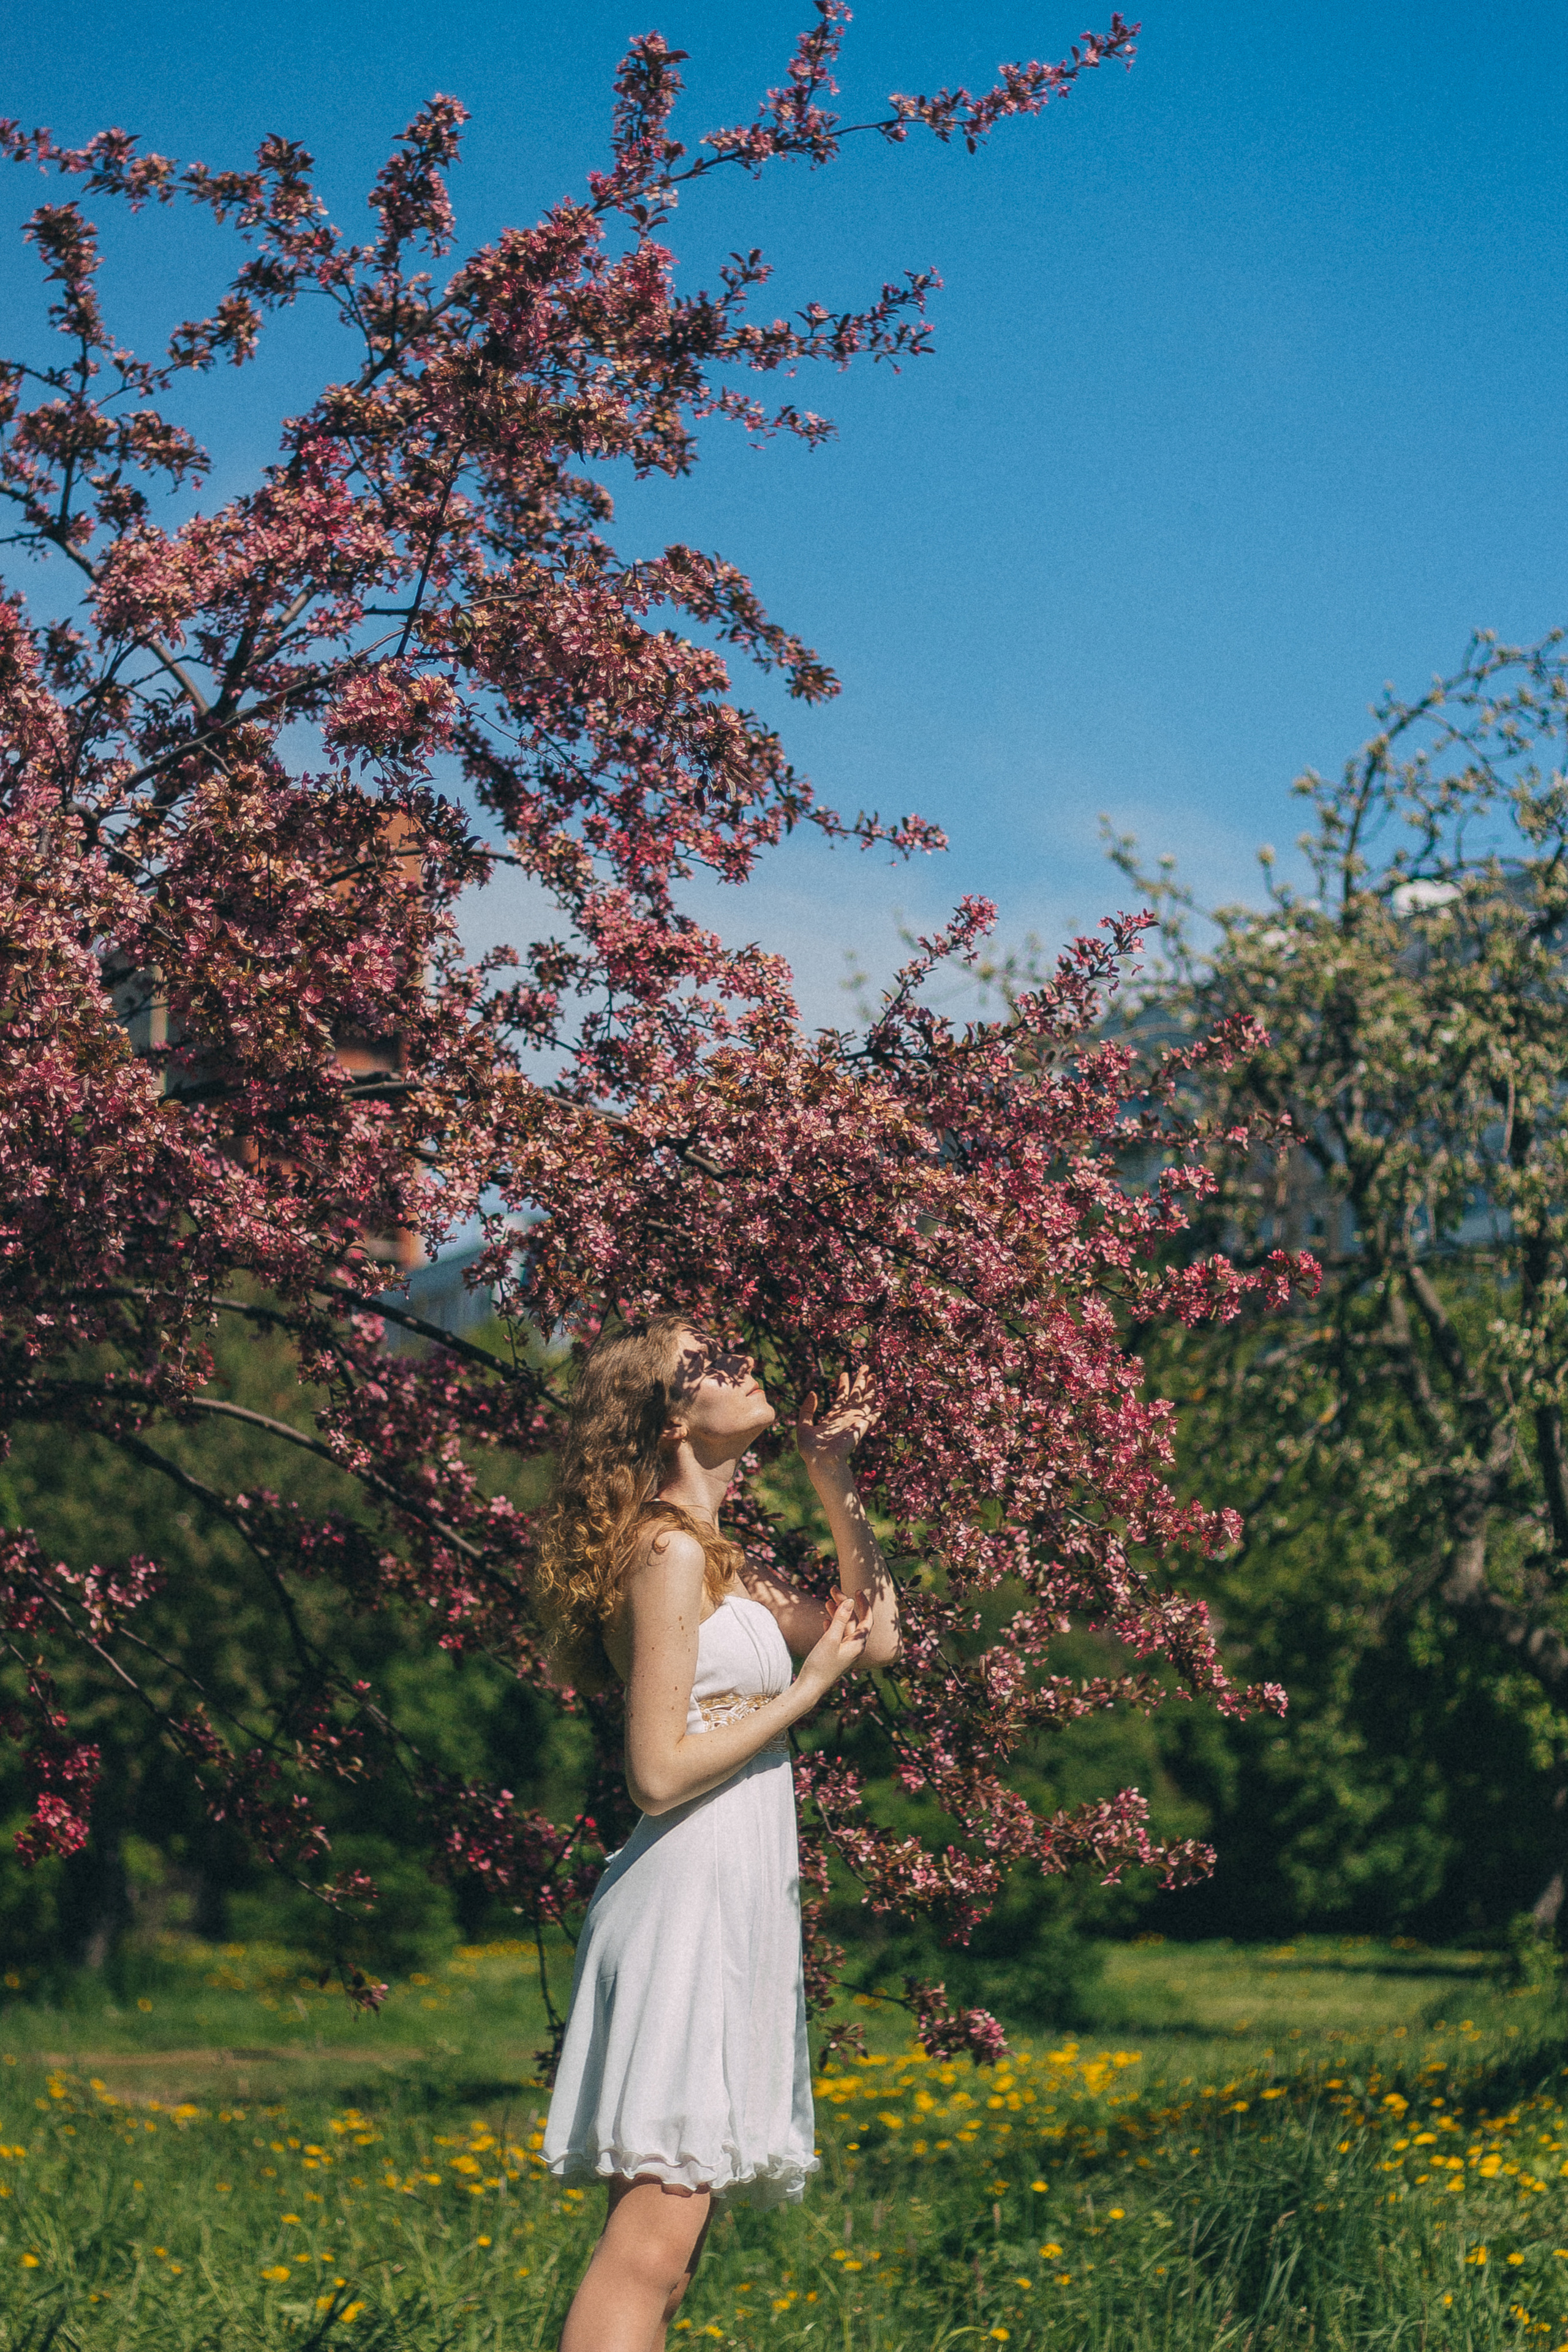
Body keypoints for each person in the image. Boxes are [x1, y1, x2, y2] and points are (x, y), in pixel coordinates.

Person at [533, 1313, 900, 2352]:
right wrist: (806, 1691)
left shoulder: (715, 1559)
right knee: (653, 2247)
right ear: (670, 1420)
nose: (744, 1365)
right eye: (710, 1364)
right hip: (680, 1905)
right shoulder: (660, 1550)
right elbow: (655, 1775)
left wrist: (836, 1479)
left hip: (726, 1906)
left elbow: (875, 1637)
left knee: (667, 2258)